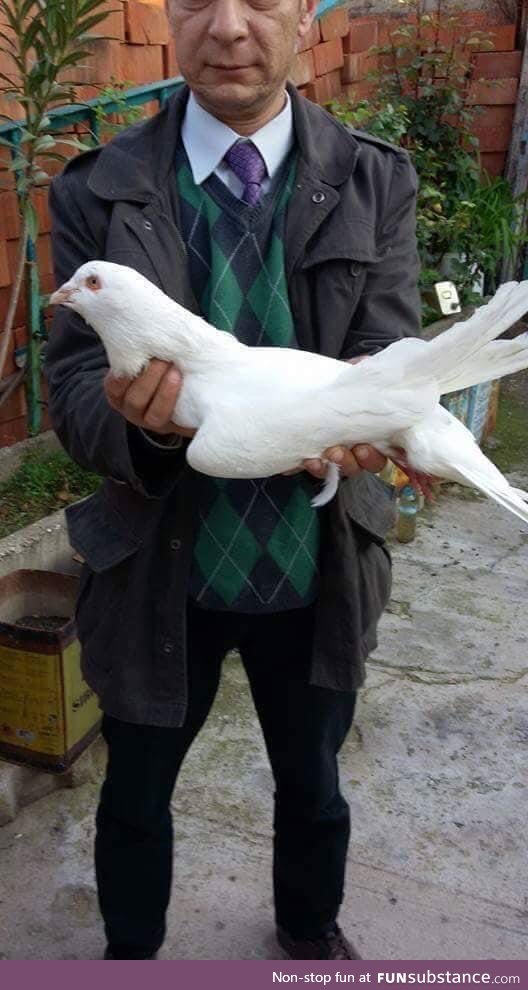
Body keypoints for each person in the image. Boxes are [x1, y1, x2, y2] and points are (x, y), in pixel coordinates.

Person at [45, 0, 421, 961]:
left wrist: (365, 430)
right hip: (158, 564)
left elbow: (387, 346)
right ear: (168, 17)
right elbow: (75, 389)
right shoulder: (102, 188)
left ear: (304, 13)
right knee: (135, 792)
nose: (228, 28)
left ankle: (307, 932)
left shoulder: (374, 179)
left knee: (313, 778)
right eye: (197, 1)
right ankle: (132, 956)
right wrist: (150, 429)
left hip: (316, 555)